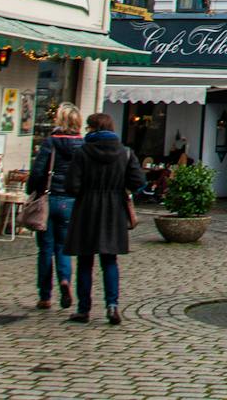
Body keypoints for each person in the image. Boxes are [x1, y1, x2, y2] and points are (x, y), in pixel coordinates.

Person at [64, 112, 144, 325]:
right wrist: (120, 189)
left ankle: (84, 309)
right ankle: (112, 305)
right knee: (109, 260)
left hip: (87, 209)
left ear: (92, 128)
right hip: (113, 209)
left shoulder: (82, 153)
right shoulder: (125, 152)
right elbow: (138, 181)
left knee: (85, 261)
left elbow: (71, 186)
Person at [27, 103, 83, 310]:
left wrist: (31, 191)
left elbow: (38, 171)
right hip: (70, 200)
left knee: (45, 248)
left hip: (48, 200)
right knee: (63, 247)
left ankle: (45, 295)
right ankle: (65, 280)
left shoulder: (51, 142)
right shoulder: (82, 144)